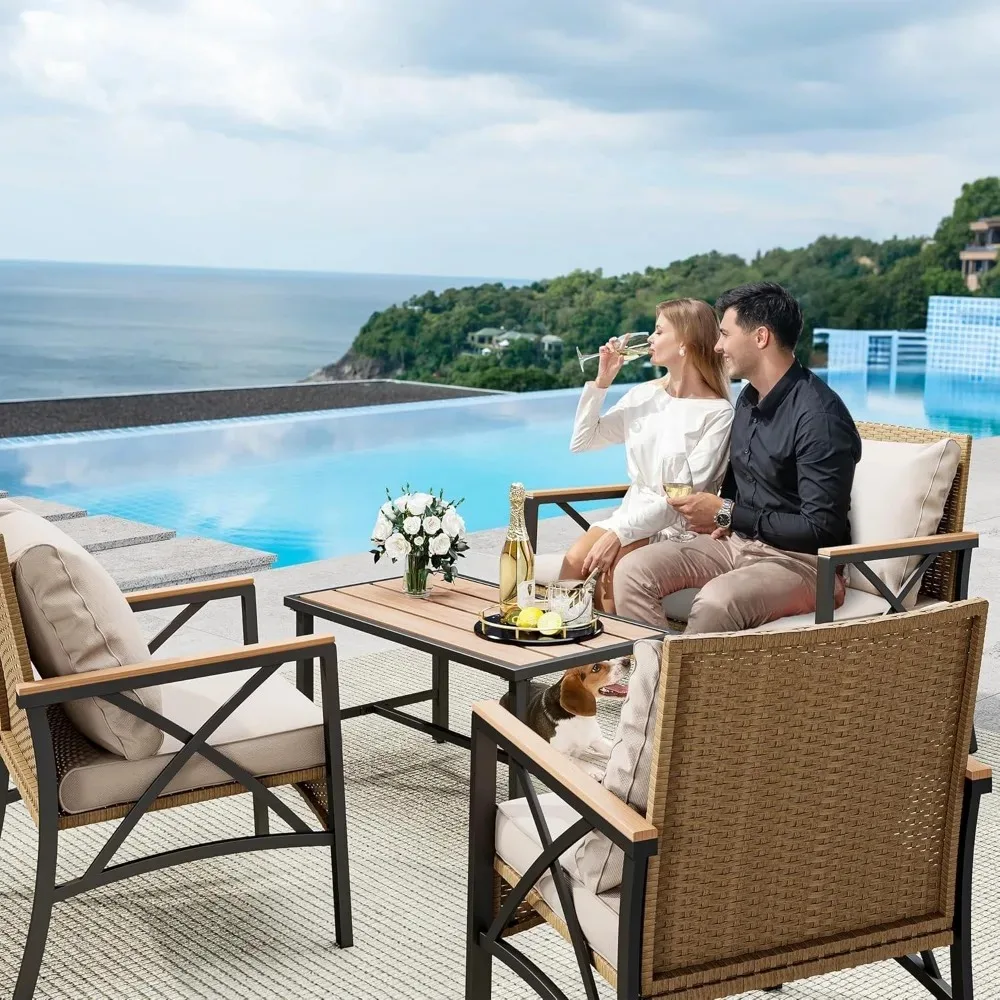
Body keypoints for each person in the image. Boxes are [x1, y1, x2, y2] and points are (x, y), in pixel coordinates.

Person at [613, 281, 863, 633]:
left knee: (717, 601)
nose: (717, 346)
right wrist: (722, 517)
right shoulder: (748, 399)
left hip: (802, 564)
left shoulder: (819, 417)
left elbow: (820, 529)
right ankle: (657, 677)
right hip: (736, 542)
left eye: (725, 335)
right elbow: (737, 483)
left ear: (760, 337)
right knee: (632, 571)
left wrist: (728, 513)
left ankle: (674, 685)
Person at [562, 297, 734, 614]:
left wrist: (620, 534)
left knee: (609, 578)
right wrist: (602, 383)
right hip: (632, 512)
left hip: (675, 527)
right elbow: (583, 441)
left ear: (685, 344)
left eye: (658, 331)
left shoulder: (717, 413)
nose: (650, 339)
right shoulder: (643, 395)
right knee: (572, 563)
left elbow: (683, 499)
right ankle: (566, 656)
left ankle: (625, 659)